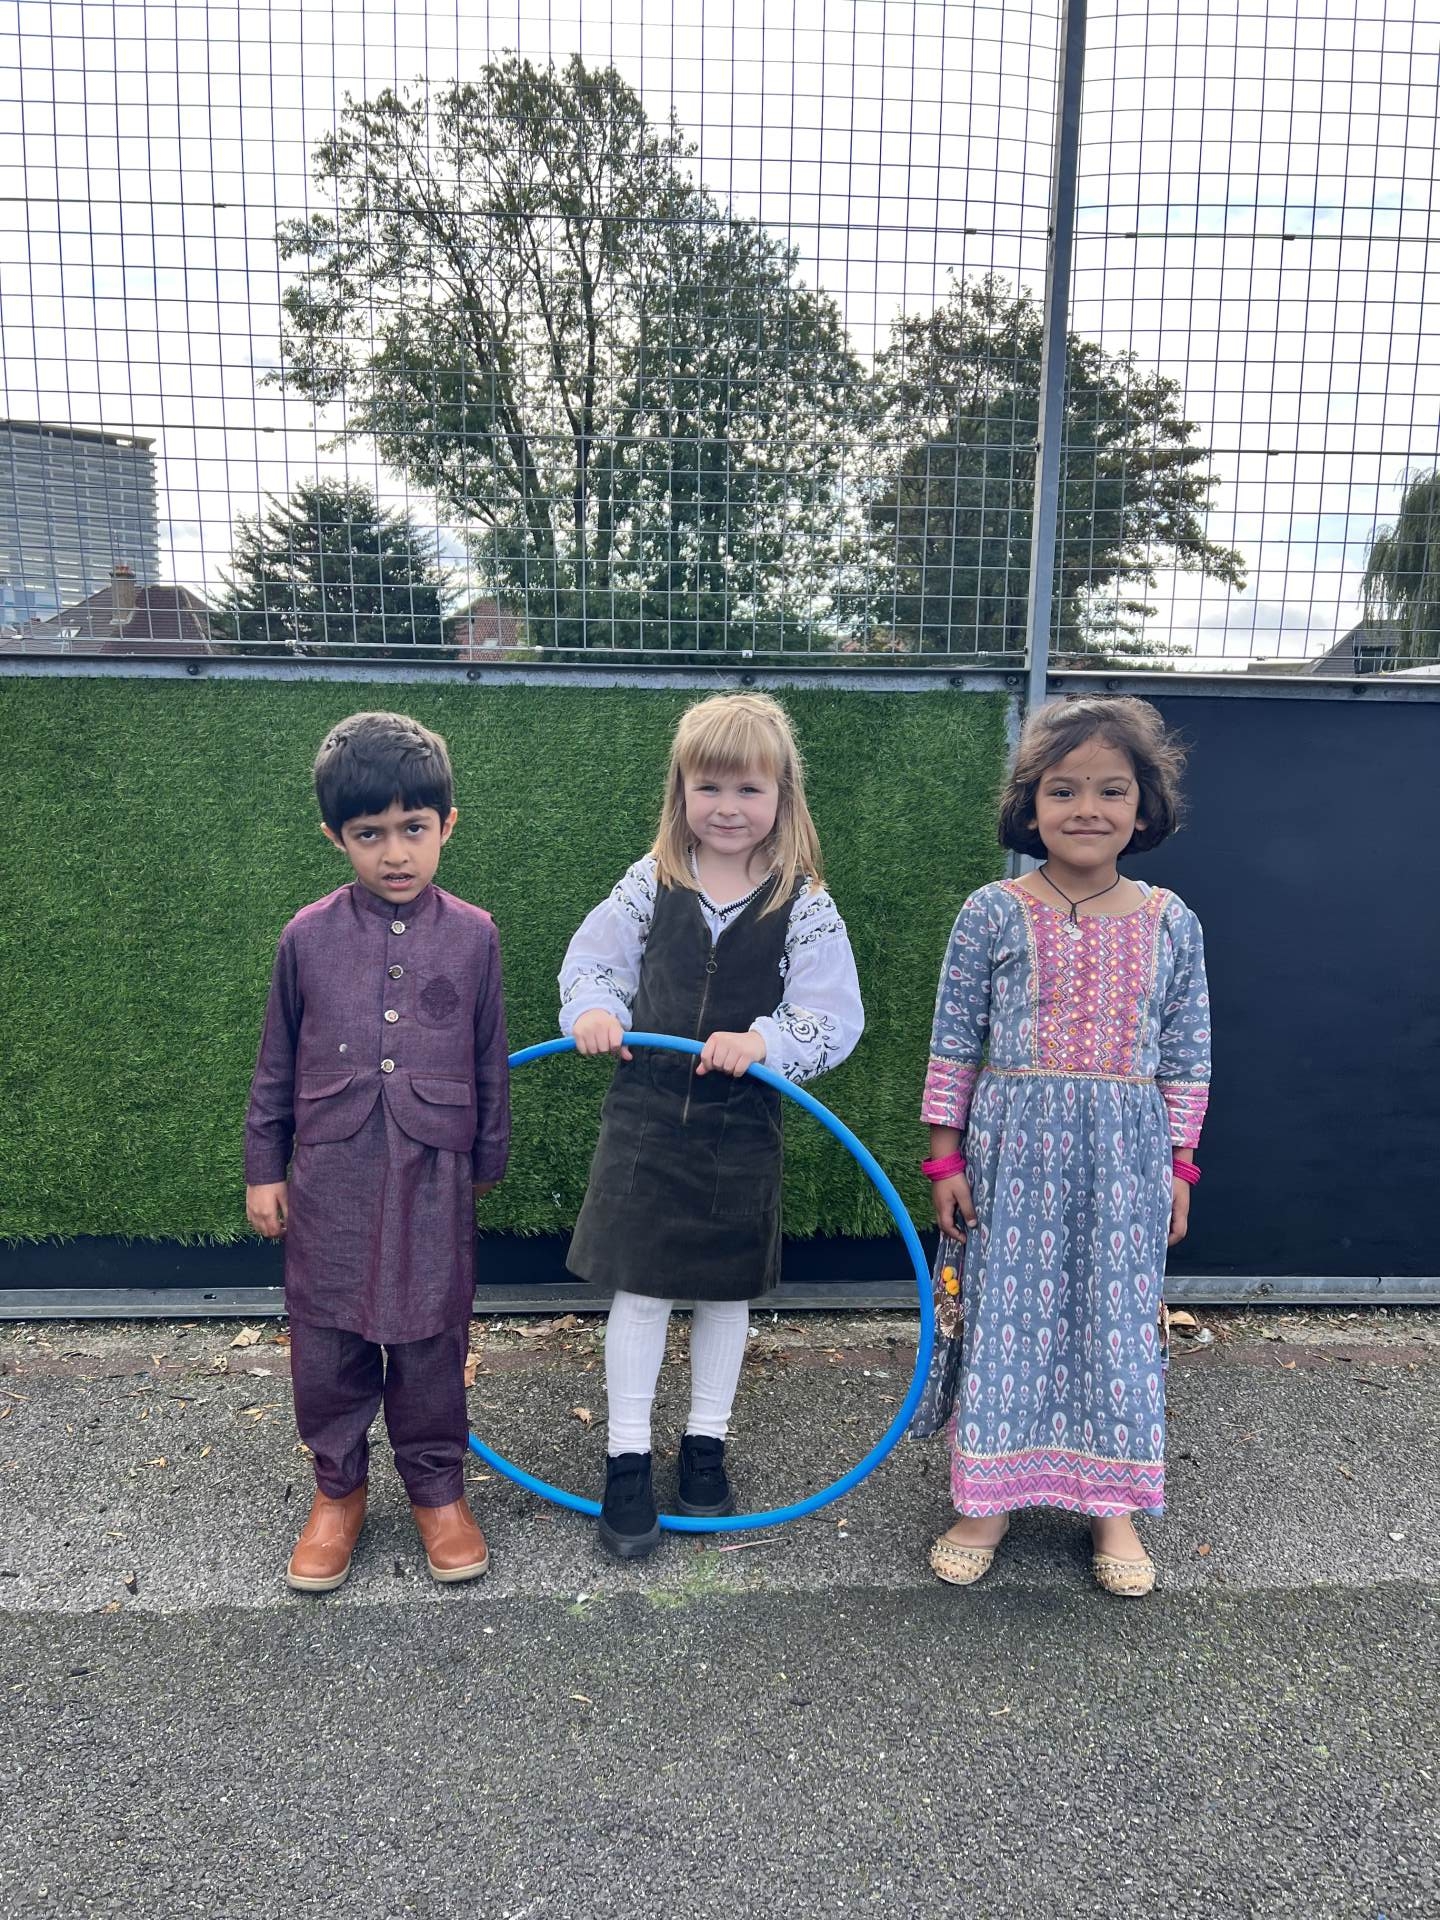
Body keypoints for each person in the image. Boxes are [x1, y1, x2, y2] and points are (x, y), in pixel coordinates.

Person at [559, 692, 864, 1560]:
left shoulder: (804, 902)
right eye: (710, 787)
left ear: (783, 796)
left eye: (749, 789)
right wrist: (594, 1011)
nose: (728, 807)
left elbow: (832, 1014)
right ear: (681, 792)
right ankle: (626, 1460)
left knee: (725, 1293)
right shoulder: (651, 880)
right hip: (647, 1123)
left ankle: (705, 1445)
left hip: (740, 1130)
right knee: (641, 1289)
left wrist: (764, 1040)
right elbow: (594, 962)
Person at [920, 693, 1210, 1598]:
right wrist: (945, 1158)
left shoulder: (1172, 922)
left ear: (1144, 807)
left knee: (1116, 1326)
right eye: (1063, 789)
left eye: (1111, 789)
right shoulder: (991, 912)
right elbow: (953, 1040)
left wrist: (1180, 1166)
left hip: (1126, 1162)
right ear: (1030, 804)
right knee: (1005, 1319)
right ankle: (989, 1500)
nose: (1087, 808)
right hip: (1011, 1159)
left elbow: (1187, 1053)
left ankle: (1111, 1507)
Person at [245, 711, 509, 1593]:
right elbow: (275, 1063)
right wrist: (264, 1167)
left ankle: (438, 1491)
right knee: (327, 1341)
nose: (395, 853)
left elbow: (489, 1057)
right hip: (331, 1176)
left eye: (413, 829)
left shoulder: (474, 934)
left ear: (447, 825)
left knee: (432, 1336)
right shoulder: (305, 936)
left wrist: (486, 1160)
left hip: (435, 1173)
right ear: (336, 836)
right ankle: (339, 1491)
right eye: (369, 834)